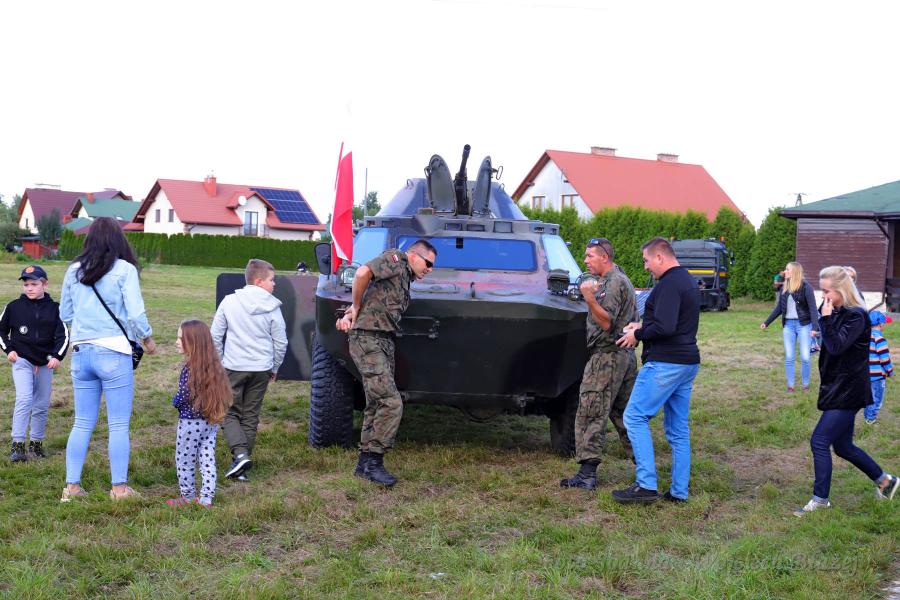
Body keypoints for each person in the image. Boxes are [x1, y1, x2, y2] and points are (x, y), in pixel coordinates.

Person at [59, 217, 157, 502]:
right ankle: (119, 489)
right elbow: (136, 313)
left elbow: (65, 314)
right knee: (118, 424)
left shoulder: (73, 270)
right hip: (114, 351)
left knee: (81, 422)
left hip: (81, 352)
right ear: (118, 239)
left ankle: (71, 488)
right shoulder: (125, 269)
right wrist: (147, 339)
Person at [794, 266, 898, 515]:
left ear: (841, 289)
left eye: (827, 291)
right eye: (822, 291)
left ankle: (820, 500)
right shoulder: (836, 310)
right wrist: (827, 316)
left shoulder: (856, 316)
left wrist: (826, 319)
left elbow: (836, 346)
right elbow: (828, 343)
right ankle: (886, 481)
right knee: (843, 447)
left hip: (849, 390)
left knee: (819, 441)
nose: (824, 296)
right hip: (836, 387)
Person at [336, 240, 437, 487]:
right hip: (368, 339)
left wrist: (352, 312)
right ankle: (375, 464)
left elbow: (375, 296)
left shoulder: (404, 276)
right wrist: (355, 307)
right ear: (414, 256)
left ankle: (364, 465)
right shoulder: (396, 259)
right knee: (391, 403)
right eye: (428, 263)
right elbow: (362, 273)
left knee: (376, 403)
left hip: (382, 341)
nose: (430, 269)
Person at [613, 237, 701, 504]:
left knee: (634, 417)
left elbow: (665, 327)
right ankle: (678, 491)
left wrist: (637, 334)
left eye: (646, 260)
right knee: (678, 430)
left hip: (666, 363)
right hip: (687, 362)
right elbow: (671, 322)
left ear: (660, 257)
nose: (646, 266)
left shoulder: (669, 284)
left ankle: (646, 485)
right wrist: (639, 326)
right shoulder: (686, 280)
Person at [560, 238, 637, 490]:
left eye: (590, 256)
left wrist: (589, 298)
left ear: (604, 257)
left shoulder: (614, 282)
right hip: (622, 356)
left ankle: (587, 474)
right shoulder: (617, 279)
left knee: (591, 410)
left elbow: (606, 322)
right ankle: (646, 469)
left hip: (607, 357)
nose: (585, 260)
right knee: (625, 415)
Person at [211, 258, 287, 481]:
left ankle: (240, 454)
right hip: (262, 368)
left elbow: (215, 336)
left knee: (228, 412)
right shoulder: (273, 307)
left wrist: (219, 363)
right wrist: (275, 367)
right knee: (251, 414)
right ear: (259, 281)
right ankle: (241, 467)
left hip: (233, 367)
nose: (274, 284)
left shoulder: (229, 302)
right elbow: (280, 342)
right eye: (272, 280)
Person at [1, 265, 69, 462]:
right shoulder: (13, 307)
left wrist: (57, 356)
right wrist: (9, 350)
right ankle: (17, 445)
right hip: (22, 361)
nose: (29, 288)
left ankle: (36, 444)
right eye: (26, 285)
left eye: (34, 284)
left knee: (41, 405)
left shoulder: (56, 309)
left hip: (46, 363)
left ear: (44, 284)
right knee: (24, 399)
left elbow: (63, 335)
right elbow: (1, 331)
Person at [167, 320, 233, 508]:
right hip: (210, 421)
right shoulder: (214, 366)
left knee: (185, 460)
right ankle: (206, 498)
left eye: (181, 338)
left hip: (190, 423)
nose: (177, 341)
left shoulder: (190, 369)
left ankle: (187, 497)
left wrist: (175, 402)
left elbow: (184, 394)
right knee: (207, 458)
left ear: (193, 342)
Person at [761, 262, 819, 392]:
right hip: (788, 325)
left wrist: (814, 328)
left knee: (805, 357)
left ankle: (805, 385)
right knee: (789, 357)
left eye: (787, 269)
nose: (785, 271)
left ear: (795, 272)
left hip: (804, 325)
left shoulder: (806, 288)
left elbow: (813, 309)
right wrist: (767, 322)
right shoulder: (784, 288)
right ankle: (791, 386)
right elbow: (779, 308)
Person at [864, 310, 893, 425]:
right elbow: (884, 359)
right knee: (876, 398)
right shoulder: (880, 339)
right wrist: (890, 371)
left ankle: (867, 415)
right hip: (877, 376)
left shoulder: (864, 337)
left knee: (868, 397)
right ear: (881, 324)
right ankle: (870, 419)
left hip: (865, 374)